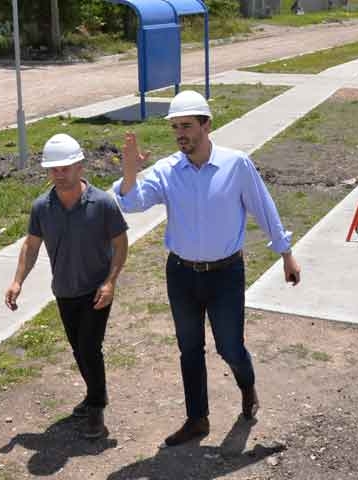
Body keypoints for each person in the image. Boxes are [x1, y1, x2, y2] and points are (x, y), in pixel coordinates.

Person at [112, 90, 301, 447]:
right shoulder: (168, 170)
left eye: (186, 126)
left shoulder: (236, 164)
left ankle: (247, 387)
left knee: (230, 347)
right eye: (175, 127)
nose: (180, 133)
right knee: (190, 348)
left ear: (206, 125)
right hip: (181, 273)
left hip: (226, 275)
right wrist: (129, 172)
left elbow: (263, 206)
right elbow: (131, 203)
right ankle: (197, 419)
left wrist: (285, 253)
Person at [5, 133, 128, 440]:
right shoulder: (42, 207)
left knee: (89, 348)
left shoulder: (102, 204)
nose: (59, 173)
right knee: (78, 349)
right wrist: (17, 280)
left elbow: (121, 243)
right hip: (64, 290)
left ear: (80, 166)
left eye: (65, 167)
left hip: (96, 291)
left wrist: (110, 282)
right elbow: (31, 247)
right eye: (53, 168)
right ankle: (92, 394)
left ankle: (96, 407)